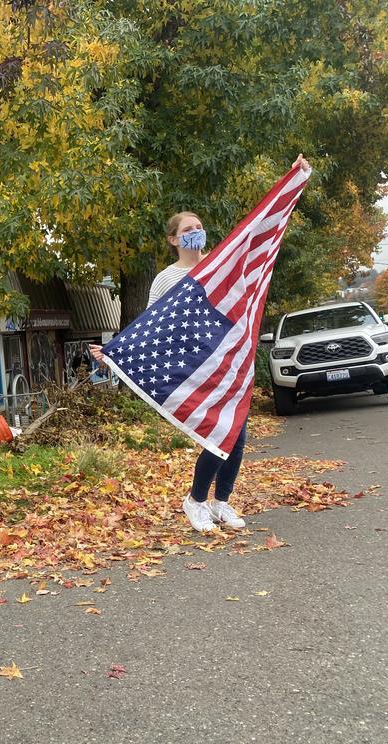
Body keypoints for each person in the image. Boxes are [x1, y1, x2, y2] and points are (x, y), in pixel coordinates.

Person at [91, 155, 311, 533]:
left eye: (200, 227)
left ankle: (220, 502)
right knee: (218, 434)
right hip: (193, 368)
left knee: (237, 434)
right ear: (174, 239)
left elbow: (257, 232)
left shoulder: (222, 264)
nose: (197, 233)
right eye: (189, 229)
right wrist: (113, 356)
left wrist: (291, 178)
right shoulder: (165, 280)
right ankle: (195, 500)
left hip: (227, 361)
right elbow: (150, 328)